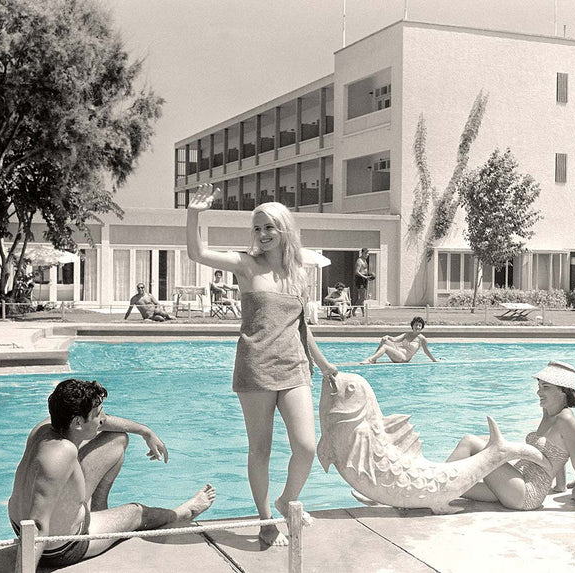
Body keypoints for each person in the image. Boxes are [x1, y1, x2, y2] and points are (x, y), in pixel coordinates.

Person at [187, 183, 338, 547]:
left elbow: (303, 327)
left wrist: (325, 364)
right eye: (257, 228)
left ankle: (287, 500)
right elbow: (197, 252)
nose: (262, 234)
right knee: (262, 449)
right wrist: (194, 214)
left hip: (294, 368)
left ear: (284, 229)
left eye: (269, 227)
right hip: (255, 367)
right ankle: (265, 519)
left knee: (305, 446)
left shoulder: (298, 272)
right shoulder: (246, 265)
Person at [8, 379, 216, 571]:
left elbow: (107, 423)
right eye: (97, 414)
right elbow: (37, 525)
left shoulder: (47, 426)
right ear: (78, 422)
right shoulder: (61, 454)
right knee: (136, 512)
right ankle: (183, 513)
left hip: (31, 524)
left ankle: (99, 513)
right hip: (58, 546)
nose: (103, 419)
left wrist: (145, 431)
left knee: (117, 439)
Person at [445, 362, 575, 514]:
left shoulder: (567, 420)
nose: (538, 392)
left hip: (527, 493)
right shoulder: (548, 413)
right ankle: (433, 486)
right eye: (539, 386)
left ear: (562, 391)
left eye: (545, 387)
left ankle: (435, 477)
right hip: (513, 484)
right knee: (454, 485)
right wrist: (561, 486)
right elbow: (557, 451)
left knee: (470, 442)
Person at [360, 316, 438, 364]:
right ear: (412, 326)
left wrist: (434, 360)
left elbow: (426, 351)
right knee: (384, 341)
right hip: (398, 352)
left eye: (419, 325)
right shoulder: (406, 334)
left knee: (385, 347)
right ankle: (374, 360)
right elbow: (395, 339)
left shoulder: (422, 339)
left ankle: (370, 359)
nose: (417, 327)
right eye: (416, 325)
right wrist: (387, 336)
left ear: (422, 327)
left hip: (404, 358)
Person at [353, 247, 374, 313]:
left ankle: (363, 313)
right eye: (366, 253)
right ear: (362, 253)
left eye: (368, 253)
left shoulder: (364, 260)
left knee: (363, 297)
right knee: (362, 297)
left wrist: (369, 276)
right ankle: (353, 311)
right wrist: (365, 277)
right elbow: (356, 271)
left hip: (365, 278)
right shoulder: (359, 261)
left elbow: (365, 270)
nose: (367, 255)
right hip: (360, 279)